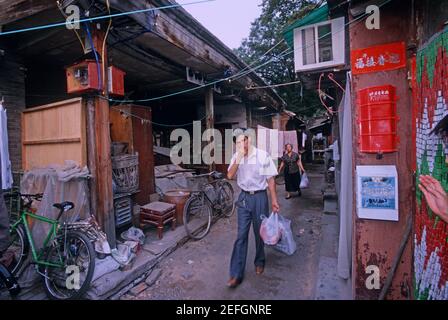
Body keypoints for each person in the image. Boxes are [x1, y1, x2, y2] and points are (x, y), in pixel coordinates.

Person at [226, 130, 280, 288]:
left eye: (244, 140)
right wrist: (239, 157)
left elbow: (270, 180)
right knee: (241, 235)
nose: (242, 144)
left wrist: (274, 200)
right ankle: (236, 273)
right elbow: (229, 175)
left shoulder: (262, 156)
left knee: (259, 232)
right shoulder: (237, 157)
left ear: (250, 140)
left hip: (260, 197)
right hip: (244, 198)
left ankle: (259, 261)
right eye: (238, 142)